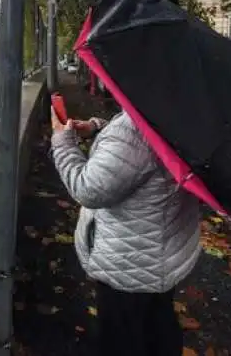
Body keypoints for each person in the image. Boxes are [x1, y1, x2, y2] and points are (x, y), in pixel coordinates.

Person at [50, 107, 201, 356]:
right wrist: (97, 127)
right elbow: (136, 148)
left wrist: (61, 140)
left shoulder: (133, 129)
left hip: (128, 261)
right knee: (157, 324)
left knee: (122, 338)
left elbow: (88, 189)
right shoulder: (181, 111)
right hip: (163, 249)